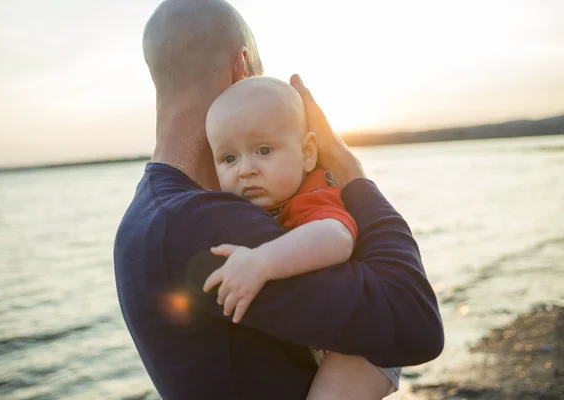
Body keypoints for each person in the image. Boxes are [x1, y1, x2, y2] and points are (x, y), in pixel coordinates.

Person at [114, 0, 444, 399]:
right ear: (242, 68)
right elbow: (415, 321)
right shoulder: (199, 221)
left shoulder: (147, 214)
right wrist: (351, 173)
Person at [202, 75, 400, 398]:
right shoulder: (260, 205)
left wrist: (260, 263)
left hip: (366, 345)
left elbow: (336, 238)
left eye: (263, 150)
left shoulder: (315, 194)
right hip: (330, 337)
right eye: (228, 158)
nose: (245, 170)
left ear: (308, 152)